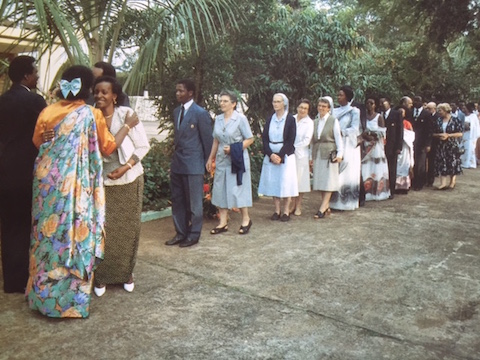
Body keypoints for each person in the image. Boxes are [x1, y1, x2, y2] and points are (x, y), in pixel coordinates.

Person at [26, 65, 138, 318]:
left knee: (45, 237)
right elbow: (108, 147)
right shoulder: (91, 114)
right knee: (73, 237)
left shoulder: (47, 111)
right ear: (86, 88)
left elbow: (37, 142)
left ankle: (41, 297)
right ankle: (68, 304)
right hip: (75, 187)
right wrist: (128, 126)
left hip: (46, 187)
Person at [92, 76, 150, 297]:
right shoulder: (91, 116)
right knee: (103, 229)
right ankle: (102, 276)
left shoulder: (126, 115)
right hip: (100, 182)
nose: (99, 96)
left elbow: (143, 145)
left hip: (128, 180)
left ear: (114, 96)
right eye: (96, 92)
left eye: (104, 92)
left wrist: (126, 167)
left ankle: (126, 273)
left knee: (127, 229)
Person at [0, 56, 47, 294]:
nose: (37, 76)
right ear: (27, 76)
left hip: (4, 172)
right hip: (27, 172)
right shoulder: (35, 101)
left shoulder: (2, 101)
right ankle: (25, 278)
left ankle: (11, 281)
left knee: (9, 227)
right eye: (35, 72)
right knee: (26, 225)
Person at [165, 79, 213, 248]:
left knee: (194, 203)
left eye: (181, 91)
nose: (178, 93)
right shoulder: (177, 111)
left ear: (190, 93)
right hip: (178, 163)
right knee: (178, 200)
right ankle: (181, 232)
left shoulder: (200, 113)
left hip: (193, 164)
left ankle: (194, 235)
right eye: (177, 91)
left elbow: (207, 140)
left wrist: (207, 163)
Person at [206, 91, 254, 235]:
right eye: (221, 101)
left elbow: (250, 139)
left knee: (238, 189)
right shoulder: (219, 119)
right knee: (220, 189)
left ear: (233, 104)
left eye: (225, 101)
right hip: (222, 159)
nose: (222, 103)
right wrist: (210, 158)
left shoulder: (240, 119)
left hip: (237, 159)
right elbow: (216, 140)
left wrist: (234, 149)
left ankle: (246, 219)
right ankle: (222, 223)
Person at [257, 93, 298, 221]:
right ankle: (276, 210)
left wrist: (280, 155)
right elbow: (264, 138)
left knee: (285, 182)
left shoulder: (290, 119)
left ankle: (286, 211)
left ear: (284, 104)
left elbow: (291, 140)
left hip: (285, 154)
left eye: (278, 102)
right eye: (274, 101)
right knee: (274, 182)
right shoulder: (270, 119)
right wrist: (270, 154)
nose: (275, 104)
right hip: (271, 152)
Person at [311, 96, 343, 218]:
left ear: (329, 108)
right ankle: (327, 205)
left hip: (329, 152)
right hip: (318, 152)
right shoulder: (315, 121)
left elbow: (338, 138)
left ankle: (322, 207)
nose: (321, 108)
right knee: (320, 180)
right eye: (319, 106)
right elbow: (312, 141)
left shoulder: (333, 120)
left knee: (329, 180)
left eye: (324, 106)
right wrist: (310, 156)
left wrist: (340, 154)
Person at [330, 86, 361, 211]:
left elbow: (355, 129)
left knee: (346, 173)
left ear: (347, 97)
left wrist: (340, 132)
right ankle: (332, 201)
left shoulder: (354, 111)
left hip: (348, 144)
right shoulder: (334, 111)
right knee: (334, 172)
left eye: (341, 95)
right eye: (337, 95)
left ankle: (346, 202)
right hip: (335, 144)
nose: (338, 97)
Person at [361, 98, 390, 201]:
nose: (369, 105)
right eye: (367, 103)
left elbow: (382, 132)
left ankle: (377, 191)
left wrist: (371, 135)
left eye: (371, 103)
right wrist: (366, 136)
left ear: (375, 105)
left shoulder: (379, 117)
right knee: (366, 167)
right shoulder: (363, 117)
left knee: (376, 168)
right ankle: (366, 192)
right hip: (366, 144)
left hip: (376, 145)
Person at [290, 99, 314, 216]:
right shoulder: (291, 119)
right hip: (289, 154)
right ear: (297, 107)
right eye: (301, 107)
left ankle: (298, 206)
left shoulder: (309, 122)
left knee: (300, 181)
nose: (302, 110)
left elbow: (307, 140)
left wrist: (293, 147)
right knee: (291, 180)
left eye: (305, 108)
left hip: (301, 155)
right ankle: (291, 205)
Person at [432, 103, 463, 190]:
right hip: (441, 145)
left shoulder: (455, 120)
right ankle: (442, 183)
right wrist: (439, 135)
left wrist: (449, 135)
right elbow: (433, 133)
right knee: (442, 162)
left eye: (440, 110)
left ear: (446, 110)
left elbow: (460, 133)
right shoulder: (438, 120)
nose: (439, 112)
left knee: (452, 162)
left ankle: (452, 181)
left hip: (452, 145)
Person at [379, 97, 403, 199]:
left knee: (391, 168)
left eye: (383, 102)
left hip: (392, 146)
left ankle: (391, 190)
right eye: (380, 103)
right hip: (380, 146)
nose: (382, 105)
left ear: (389, 103)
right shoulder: (379, 115)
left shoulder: (396, 114)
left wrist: (399, 147)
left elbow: (400, 131)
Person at [410, 96, 432, 191]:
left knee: (421, 164)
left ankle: (420, 183)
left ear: (422, 102)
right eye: (414, 101)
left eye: (418, 101)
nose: (416, 102)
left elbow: (429, 130)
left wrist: (428, 144)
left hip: (422, 142)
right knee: (413, 162)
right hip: (411, 142)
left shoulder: (426, 114)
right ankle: (413, 182)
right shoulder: (410, 112)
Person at [396, 107, 415, 192]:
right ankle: (396, 185)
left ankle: (404, 186)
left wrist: (404, 135)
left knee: (404, 165)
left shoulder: (407, 123)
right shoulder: (394, 122)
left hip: (405, 146)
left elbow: (411, 135)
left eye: (402, 112)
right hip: (396, 147)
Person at [461, 102, 479, 169]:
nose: (463, 109)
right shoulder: (463, 116)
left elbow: (476, 126)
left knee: (470, 149)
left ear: (468, 108)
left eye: (464, 108)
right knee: (463, 148)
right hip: (464, 134)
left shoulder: (473, 116)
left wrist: (469, 126)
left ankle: (470, 163)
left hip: (471, 135)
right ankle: (463, 162)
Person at [425, 102, 439, 186]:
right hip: (426, 140)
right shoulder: (426, 116)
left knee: (432, 161)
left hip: (434, 142)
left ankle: (431, 179)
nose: (427, 110)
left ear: (434, 109)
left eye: (429, 109)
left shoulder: (437, 117)